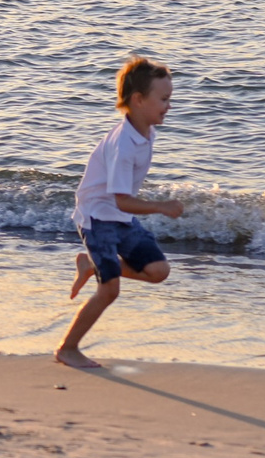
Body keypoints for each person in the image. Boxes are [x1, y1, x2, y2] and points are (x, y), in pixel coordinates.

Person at [57, 57, 180, 370]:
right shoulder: (124, 144)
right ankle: (67, 349)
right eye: (163, 100)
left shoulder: (146, 131)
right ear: (138, 100)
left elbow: (123, 206)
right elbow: (123, 200)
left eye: (170, 99)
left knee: (158, 271)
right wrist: (161, 207)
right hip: (98, 218)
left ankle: (90, 264)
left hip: (120, 217)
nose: (168, 106)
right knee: (109, 290)